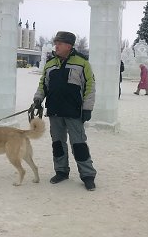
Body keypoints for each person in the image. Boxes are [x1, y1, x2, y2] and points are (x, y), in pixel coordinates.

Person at [33, 31, 97, 191]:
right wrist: (38, 98)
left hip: (74, 111)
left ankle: (88, 175)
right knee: (58, 144)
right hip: (55, 111)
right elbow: (43, 84)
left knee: (79, 145)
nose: (56, 46)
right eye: (56, 43)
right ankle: (61, 171)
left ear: (69, 45)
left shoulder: (82, 63)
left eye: (59, 43)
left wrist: (87, 108)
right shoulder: (50, 64)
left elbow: (90, 87)